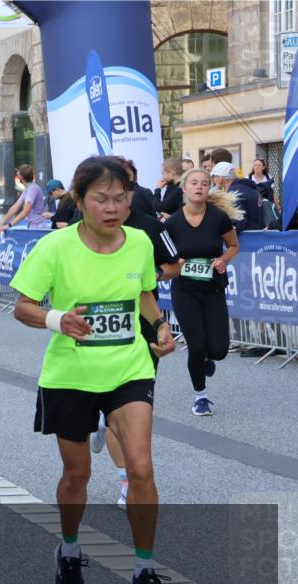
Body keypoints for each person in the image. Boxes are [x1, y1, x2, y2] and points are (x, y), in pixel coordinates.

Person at [10, 155, 177, 584]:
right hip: (71, 376)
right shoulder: (56, 248)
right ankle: (68, 550)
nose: (113, 208)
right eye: (101, 199)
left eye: (121, 199)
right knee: (77, 475)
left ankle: (144, 571)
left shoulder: (141, 241)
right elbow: (22, 306)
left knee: (141, 467)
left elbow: (144, 295)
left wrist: (160, 328)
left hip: (128, 367)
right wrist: (57, 319)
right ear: (79, 200)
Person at [91, 157, 182, 508]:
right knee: (109, 407)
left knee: (133, 407)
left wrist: (143, 282)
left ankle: (130, 479)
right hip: (96, 330)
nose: (116, 196)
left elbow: (175, 266)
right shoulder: (83, 229)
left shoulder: (148, 229)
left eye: (123, 188)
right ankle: (122, 469)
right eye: (107, 189)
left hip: (142, 324)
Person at [164, 168, 240, 416]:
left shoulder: (218, 217)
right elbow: (162, 262)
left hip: (213, 289)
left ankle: (207, 358)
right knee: (196, 345)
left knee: (218, 349)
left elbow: (233, 245)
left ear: (209, 189)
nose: (199, 187)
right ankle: (201, 396)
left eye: (205, 184)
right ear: (184, 188)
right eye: (194, 183)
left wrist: (223, 260)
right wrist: (176, 264)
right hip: (184, 290)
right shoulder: (172, 223)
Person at [210, 162, 262, 232]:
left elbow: (239, 222)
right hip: (258, 234)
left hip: (249, 237)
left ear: (220, 178)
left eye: (214, 177)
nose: (213, 180)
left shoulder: (233, 191)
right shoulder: (246, 186)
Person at [0, 164, 49, 231]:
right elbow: (15, 207)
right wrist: (1, 224)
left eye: (18, 175)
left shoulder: (32, 189)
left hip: (38, 227)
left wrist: (9, 225)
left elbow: (25, 211)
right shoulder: (28, 189)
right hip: (34, 226)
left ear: (21, 177)